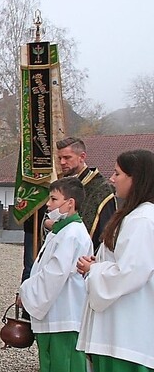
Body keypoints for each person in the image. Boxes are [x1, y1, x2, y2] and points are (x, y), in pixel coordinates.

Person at [76, 149, 154, 371]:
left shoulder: (143, 220)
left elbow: (131, 273)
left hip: (126, 333)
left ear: (136, 178)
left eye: (117, 174)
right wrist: (99, 263)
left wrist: (94, 270)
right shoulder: (134, 215)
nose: (111, 179)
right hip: (118, 333)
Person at [18, 177, 92, 372]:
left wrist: (26, 292)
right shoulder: (62, 231)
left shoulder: (72, 234)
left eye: (53, 199)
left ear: (70, 203)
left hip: (64, 315)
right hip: (53, 313)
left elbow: (55, 274)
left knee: (64, 365)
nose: (48, 204)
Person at [22, 137, 117, 281]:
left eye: (67, 158)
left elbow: (106, 232)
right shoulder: (61, 184)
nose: (62, 163)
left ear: (82, 157)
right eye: (59, 158)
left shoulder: (102, 189)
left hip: (83, 265)